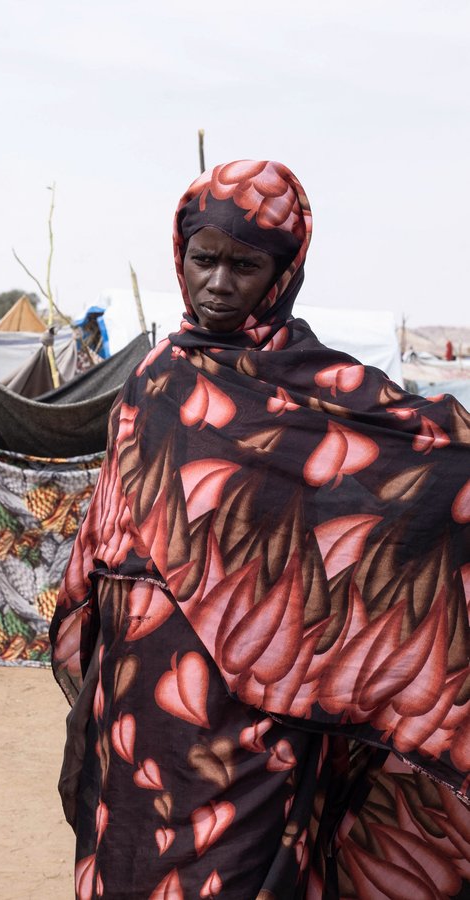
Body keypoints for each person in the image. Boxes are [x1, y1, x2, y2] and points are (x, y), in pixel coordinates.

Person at [51, 160, 470, 898]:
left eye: (244, 265)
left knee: (242, 873)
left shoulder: (323, 393)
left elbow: (429, 459)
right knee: (132, 867)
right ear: (178, 260)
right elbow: (104, 550)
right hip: (139, 706)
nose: (217, 282)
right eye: (202, 259)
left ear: (285, 271)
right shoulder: (152, 382)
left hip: (257, 718)